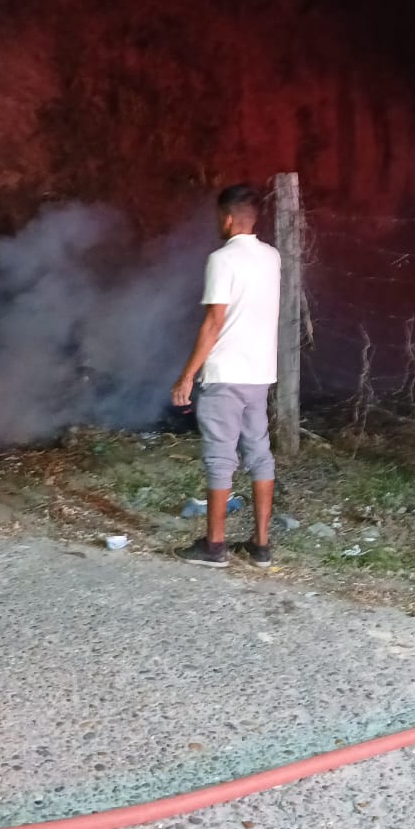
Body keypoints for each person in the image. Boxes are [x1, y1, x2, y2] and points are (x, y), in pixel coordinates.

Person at [171, 184, 281, 568]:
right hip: (260, 372)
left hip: (225, 373)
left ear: (228, 218)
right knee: (259, 454)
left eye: (219, 217)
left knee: (220, 458)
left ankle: (215, 546)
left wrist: (187, 376)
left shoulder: (222, 260)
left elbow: (214, 321)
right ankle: (262, 546)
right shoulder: (272, 257)